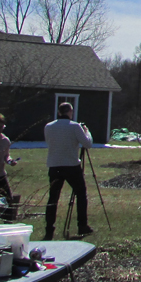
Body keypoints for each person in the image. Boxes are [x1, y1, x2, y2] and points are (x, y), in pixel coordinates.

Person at [44, 102, 93, 240]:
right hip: (71, 165)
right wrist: (86, 132)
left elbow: (49, 143)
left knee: (53, 198)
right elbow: (87, 143)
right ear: (70, 112)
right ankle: (82, 225)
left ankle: (49, 229)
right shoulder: (75, 126)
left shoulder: (49, 126)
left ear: (59, 112)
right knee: (81, 194)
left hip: (54, 165)